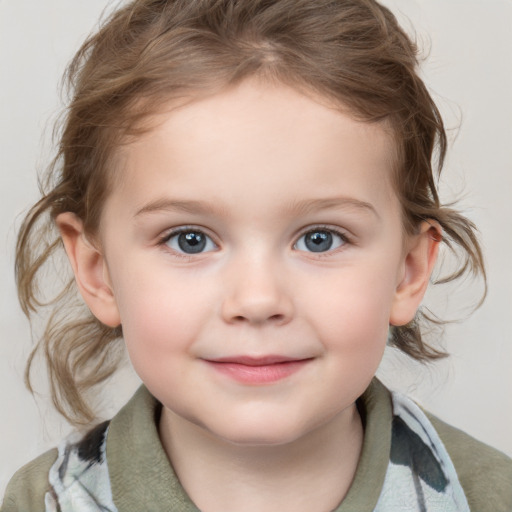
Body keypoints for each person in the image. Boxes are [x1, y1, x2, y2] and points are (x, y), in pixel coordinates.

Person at [2, 0, 511, 510]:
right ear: (99, 273)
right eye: (189, 239)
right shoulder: (42, 502)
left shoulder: (488, 497)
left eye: (320, 238)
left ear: (409, 271)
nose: (259, 299)